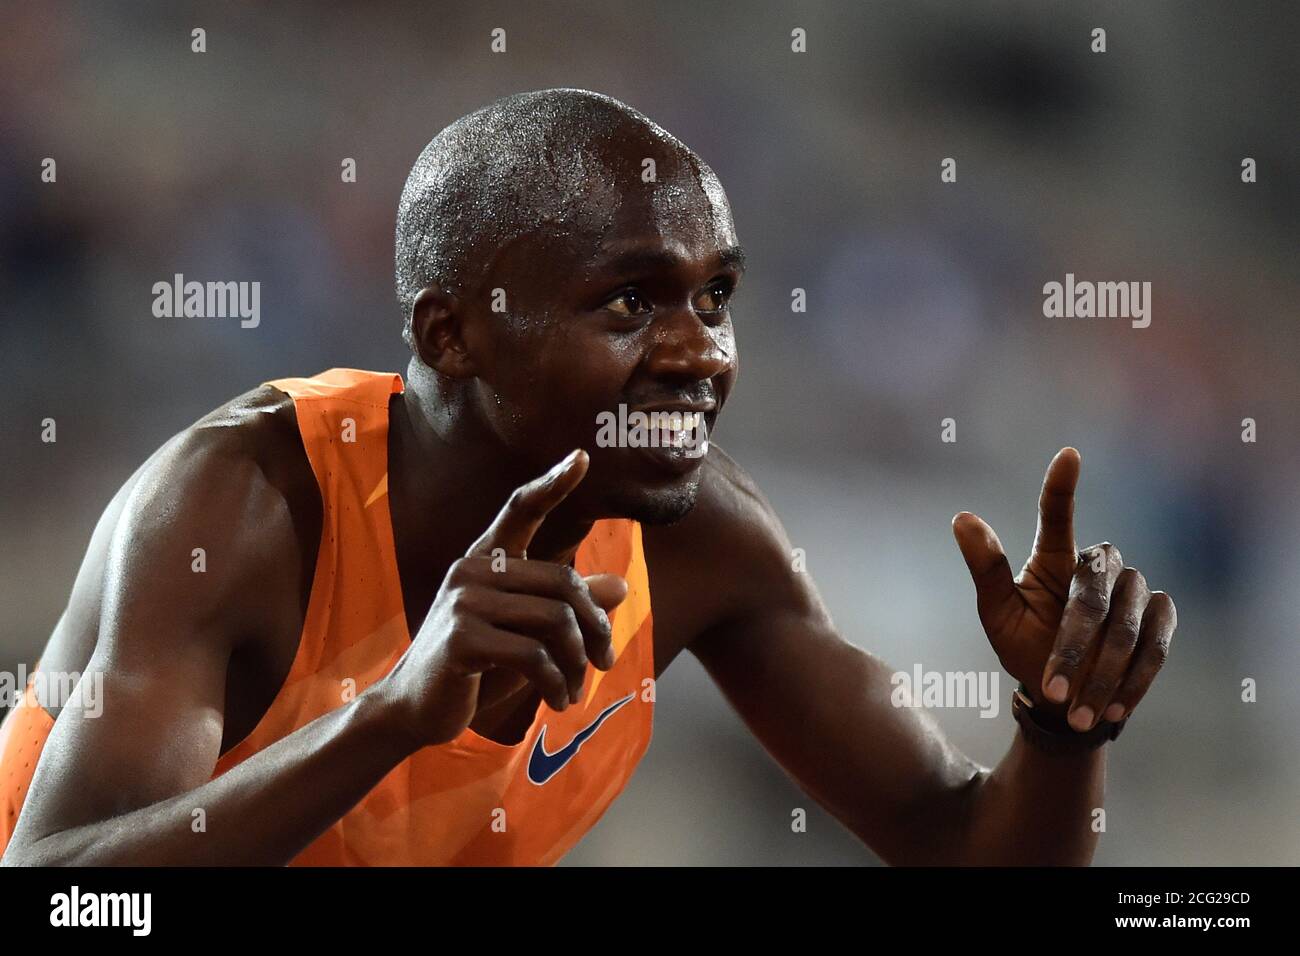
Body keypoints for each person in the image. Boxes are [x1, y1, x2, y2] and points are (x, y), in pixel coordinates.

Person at [0, 88, 1175, 866]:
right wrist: (390, 719)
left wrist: (1063, 726)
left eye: (715, 296)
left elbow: (956, 841)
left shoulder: (701, 539)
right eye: (630, 300)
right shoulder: (237, 506)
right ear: (451, 333)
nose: (700, 352)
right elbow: (62, 893)